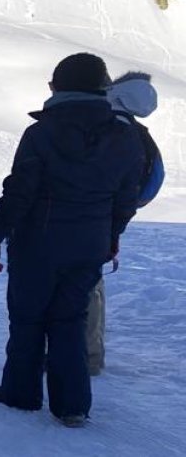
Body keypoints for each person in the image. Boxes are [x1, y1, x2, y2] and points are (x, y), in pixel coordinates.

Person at [0, 53, 144, 427]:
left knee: (27, 317)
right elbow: (126, 198)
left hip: (38, 243)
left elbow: (19, 191)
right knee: (70, 319)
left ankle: (20, 393)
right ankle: (71, 405)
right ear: (102, 88)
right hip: (89, 245)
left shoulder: (41, 132)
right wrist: (111, 235)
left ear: (57, 88)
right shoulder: (124, 135)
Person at [87, 71, 163, 375]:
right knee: (93, 285)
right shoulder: (138, 132)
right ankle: (91, 355)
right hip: (112, 220)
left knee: (78, 288)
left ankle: (82, 358)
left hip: (85, 216)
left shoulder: (102, 123)